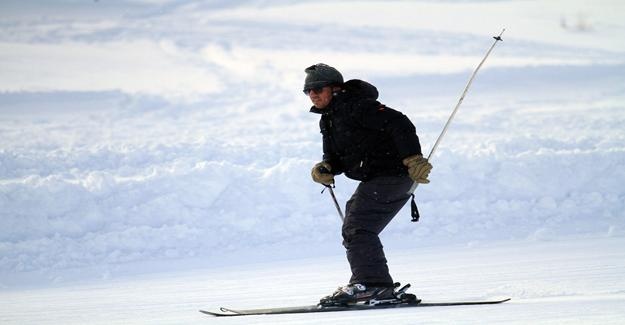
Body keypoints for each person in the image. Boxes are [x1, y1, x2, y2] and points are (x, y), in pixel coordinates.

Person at [304, 63, 433, 305]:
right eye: (308, 91)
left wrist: (413, 157)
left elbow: (399, 123)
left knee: (358, 226)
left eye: (318, 88)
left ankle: (372, 284)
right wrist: (327, 167)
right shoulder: (329, 119)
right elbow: (336, 157)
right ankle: (371, 282)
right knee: (353, 223)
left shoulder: (357, 106)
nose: (312, 94)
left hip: (393, 173)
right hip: (376, 178)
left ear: (335, 88)